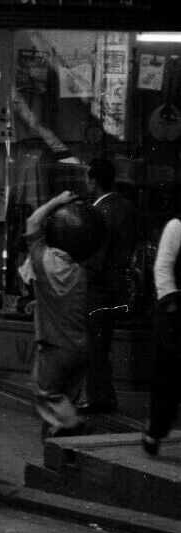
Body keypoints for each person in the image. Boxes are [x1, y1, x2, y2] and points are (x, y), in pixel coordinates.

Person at [22, 191, 105, 438]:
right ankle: (61, 451)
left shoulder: (43, 261)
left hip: (54, 345)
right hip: (80, 346)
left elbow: (32, 222)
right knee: (67, 398)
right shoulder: (81, 271)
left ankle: (74, 423)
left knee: (46, 393)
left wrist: (56, 201)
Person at [80, 158, 137, 415]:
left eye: (87, 179)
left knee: (95, 344)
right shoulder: (126, 207)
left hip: (98, 288)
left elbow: (96, 257)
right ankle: (105, 394)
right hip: (116, 286)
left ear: (94, 181)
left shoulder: (98, 212)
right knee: (104, 342)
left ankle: (99, 397)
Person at [142, 217, 181, 456]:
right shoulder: (177, 226)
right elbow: (163, 267)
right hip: (174, 310)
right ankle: (155, 430)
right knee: (167, 373)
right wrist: (171, 304)